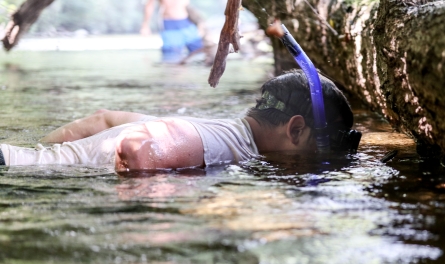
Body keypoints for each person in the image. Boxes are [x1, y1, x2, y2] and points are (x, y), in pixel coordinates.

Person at [0, 70, 354, 172]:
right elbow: (136, 150)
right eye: (319, 150)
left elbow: (100, 119)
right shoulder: (224, 147)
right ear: (295, 129)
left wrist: (39, 153)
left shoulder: (209, 129)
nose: (314, 162)